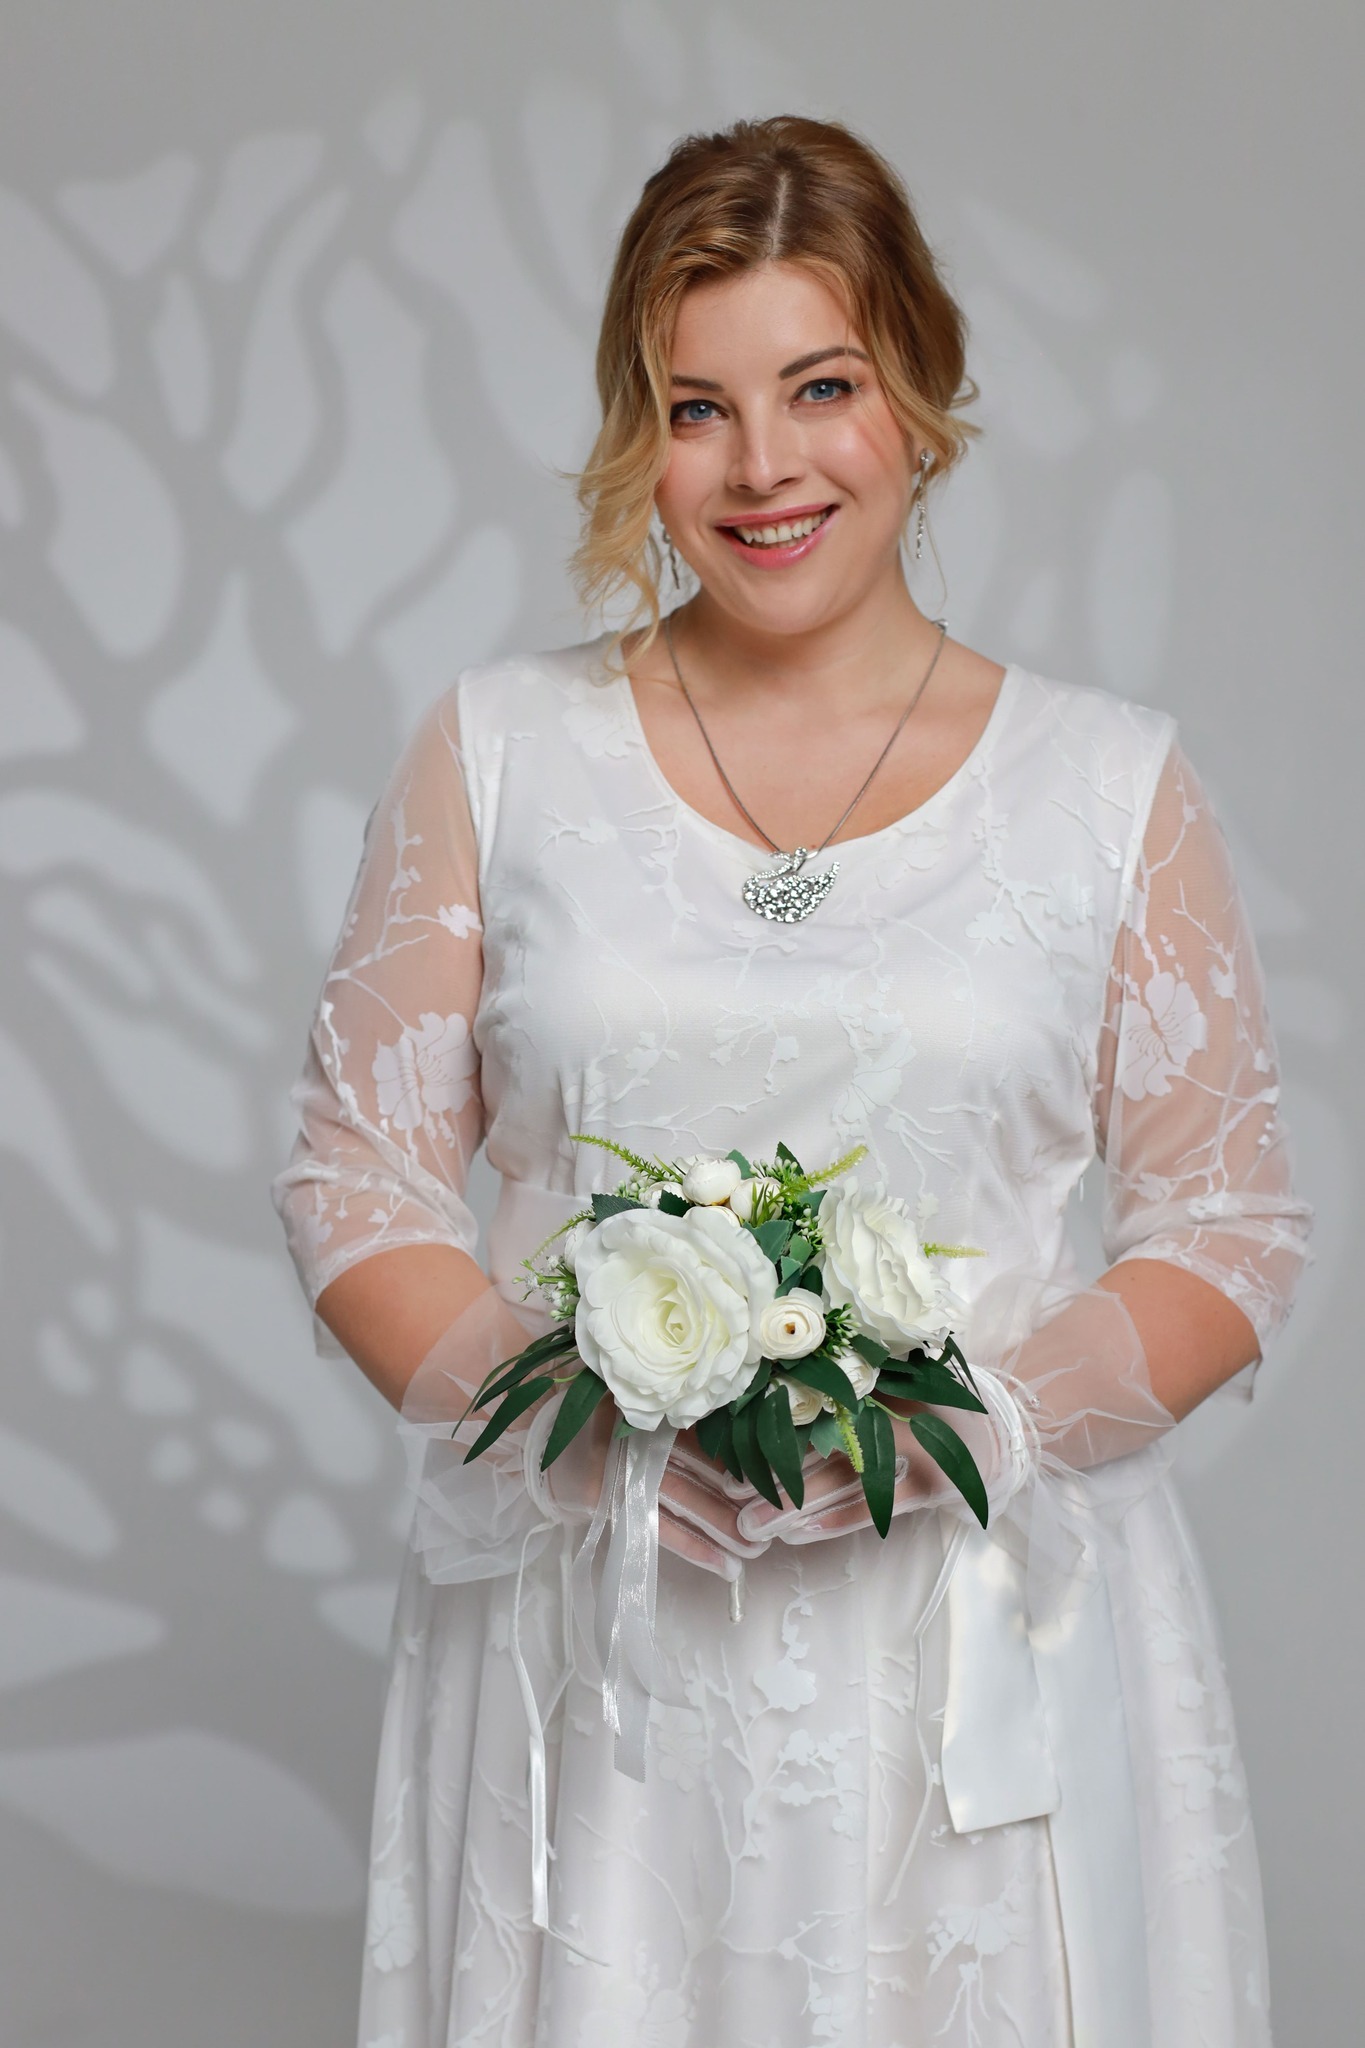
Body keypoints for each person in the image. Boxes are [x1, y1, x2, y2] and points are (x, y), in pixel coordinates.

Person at [273, 115, 1312, 2048]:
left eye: (819, 387)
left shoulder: (1109, 785)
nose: (762, 466)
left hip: (981, 1658)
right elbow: (355, 1181)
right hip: (600, 1664)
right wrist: (572, 1435)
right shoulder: (496, 750)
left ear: (917, 391)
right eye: (698, 408)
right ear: (637, 437)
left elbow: (1229, 1227)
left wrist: (974, 1428)